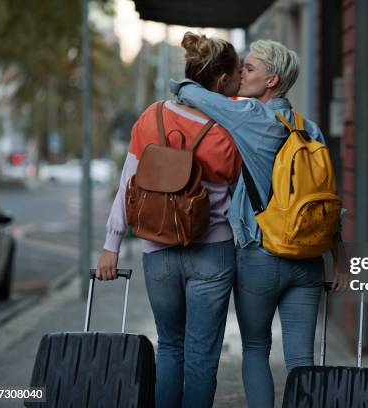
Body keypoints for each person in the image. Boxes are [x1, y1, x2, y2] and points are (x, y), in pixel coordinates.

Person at [171, 38, 350, 407]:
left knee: (255, 348)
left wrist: (185, 79)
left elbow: (196, 95)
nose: (241, 75)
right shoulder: (309, 129)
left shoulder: (252, 117)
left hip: (260, 257)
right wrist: (340, 259)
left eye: (249, 69)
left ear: (272, 80)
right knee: (302, 359)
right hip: (309, 259)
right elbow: (323, 200)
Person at [95, 32, 242, 408]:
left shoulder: (150, 118)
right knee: (202, 356)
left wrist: (111, 246)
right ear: (222, 80)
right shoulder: (228, 131)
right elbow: (241, 201)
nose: (242, 80)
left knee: (171, 345)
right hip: (213, 252)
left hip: (156, 249)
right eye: (238, 74)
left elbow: (127, 186)